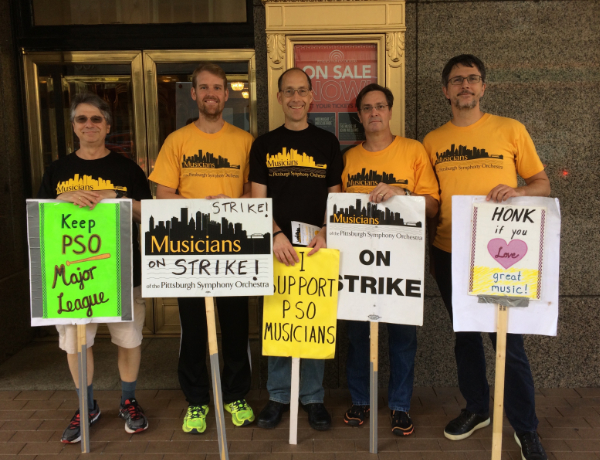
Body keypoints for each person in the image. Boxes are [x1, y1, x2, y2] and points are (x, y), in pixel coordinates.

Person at [423, 54, 551, 460]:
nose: (465, 85)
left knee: (507, 340)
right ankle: (477, 408)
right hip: (448, 250)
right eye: (457, 80)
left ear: (483, 87)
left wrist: (519, 192)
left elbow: (542, 184)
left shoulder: (510, 130)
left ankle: (525, 426)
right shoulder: (431, 141)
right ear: (445, 90)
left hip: (501, 255)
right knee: (465, 336)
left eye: (472, 79)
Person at [38, 93, 152, 442]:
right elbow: (39, 218)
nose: (89, 125)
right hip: (71, 276)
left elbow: (147, 214)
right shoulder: (57, 170)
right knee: (76, 341)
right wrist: (59, 200)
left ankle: (128, 401)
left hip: (121, 270)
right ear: (73, 126)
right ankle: (86, 405)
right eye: (81, 119)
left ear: (107, 125)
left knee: (128, 339)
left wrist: (113, 197)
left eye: (96, 119)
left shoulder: (126, 169)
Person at [149, 63, 255, 434]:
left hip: (233, 248)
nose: (211, 93)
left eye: (218, 87)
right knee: (193, 327)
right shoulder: (176, 141)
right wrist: (199, 209)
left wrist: (225, 207)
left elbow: (253, 193)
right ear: (193, 94)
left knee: (236, 325)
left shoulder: (245, 141)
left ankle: (235, 395)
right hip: (188, 250)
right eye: (204, 87)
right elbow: (163, 193)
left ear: (227, 95)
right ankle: (197, 401)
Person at [340, 83, 439, 436]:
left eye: (380, 106)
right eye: (367, 108)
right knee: (358, 337)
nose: (374, 113)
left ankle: (399, 406)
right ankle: (361, 400)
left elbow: (432, 204)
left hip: (401, 262)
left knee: (401, 338)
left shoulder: (412, 151)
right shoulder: (349, 158)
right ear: (360, 115)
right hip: (356, 264)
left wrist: (403, 193)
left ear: (390, 111)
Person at [249, 67, 343, 431]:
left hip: (316, 246)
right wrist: (274, 235)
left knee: (313, 320)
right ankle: (277, 396)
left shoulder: (328, 143)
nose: (295, 98)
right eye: (288, 91)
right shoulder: (264, 145)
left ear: (311, 97)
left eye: (302, 91)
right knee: (278, 320)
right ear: (278, 98)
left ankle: (313, 397)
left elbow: (334, 197)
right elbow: (259, 200)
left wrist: (324, 232)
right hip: (276, 246)